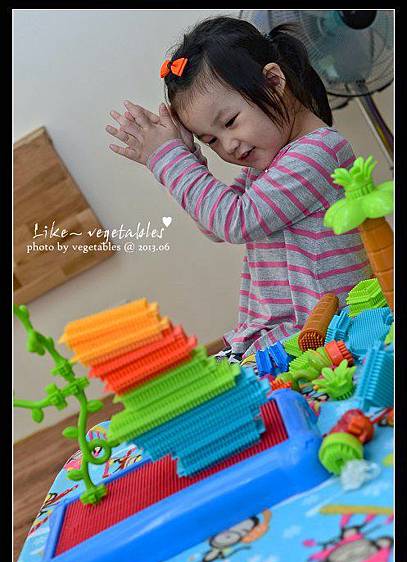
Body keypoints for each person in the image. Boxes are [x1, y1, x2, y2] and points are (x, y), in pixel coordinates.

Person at [106, 16, 371, 362]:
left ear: (274, 81)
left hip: (325, 333)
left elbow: (234, 221)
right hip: (289, 333)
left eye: (230, 122)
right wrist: (186, 156)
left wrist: (169, 159)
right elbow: (215, 226)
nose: (228, 145)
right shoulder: (272, 164)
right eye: (211, 140)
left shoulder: (318, 153)